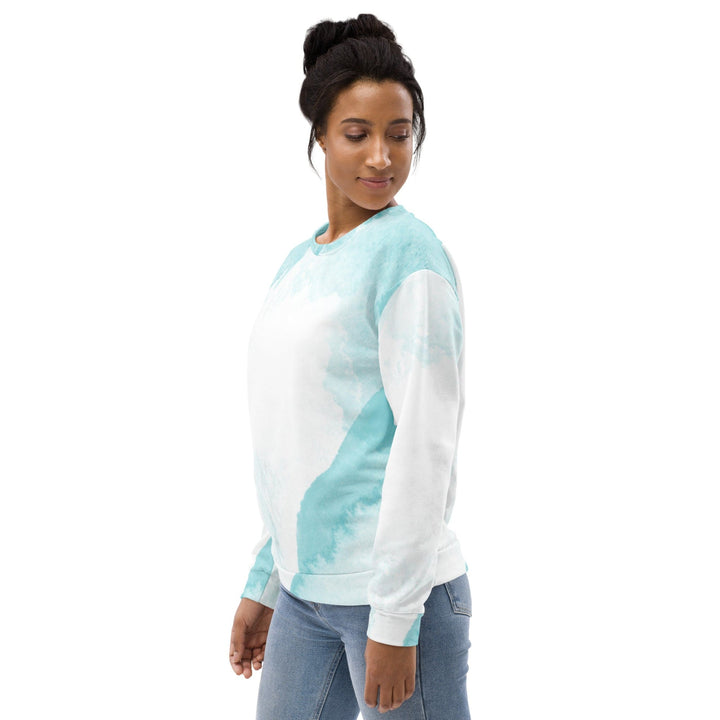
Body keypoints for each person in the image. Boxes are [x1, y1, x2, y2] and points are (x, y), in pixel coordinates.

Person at [229, 13, 472, 719]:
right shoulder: (299, 264)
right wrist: (266, 579)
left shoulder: (411, 258)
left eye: (400, 134)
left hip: (397, 598)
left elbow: (426, 446)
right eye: (357, 134)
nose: (382, 158)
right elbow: (290, 438)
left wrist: (395, 621)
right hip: (304, 597)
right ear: (320, 137)